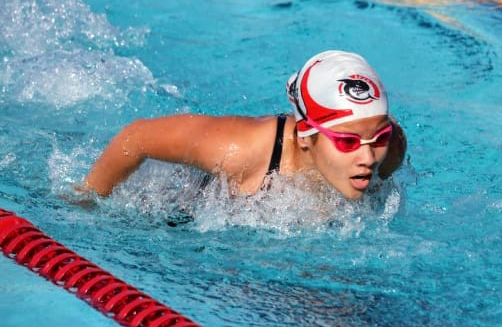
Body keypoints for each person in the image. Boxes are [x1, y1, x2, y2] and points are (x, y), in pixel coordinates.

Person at [82, 50, 406, 200]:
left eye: (378, 137)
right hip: (179, 209)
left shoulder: (388, 148)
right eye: (347, 142)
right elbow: (136, 136)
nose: (367, 157)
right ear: (307, 136)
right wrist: (86, 200)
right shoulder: (241, 152)